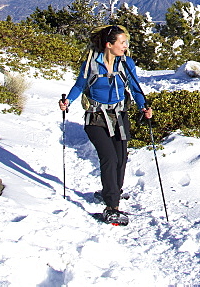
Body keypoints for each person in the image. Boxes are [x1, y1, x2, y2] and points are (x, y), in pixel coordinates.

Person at [59, 24, 151, 225]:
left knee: (121, 158)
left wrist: (144, 106)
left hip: (119, 116)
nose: (125, 46)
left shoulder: (126, 63)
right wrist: (68, 102)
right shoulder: (91, 63)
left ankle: (112, 191)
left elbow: (135, 87)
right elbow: (79, 85)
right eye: (122, 42)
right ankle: (112, 206)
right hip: (96, 118)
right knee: (109, 157)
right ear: (109, 45)